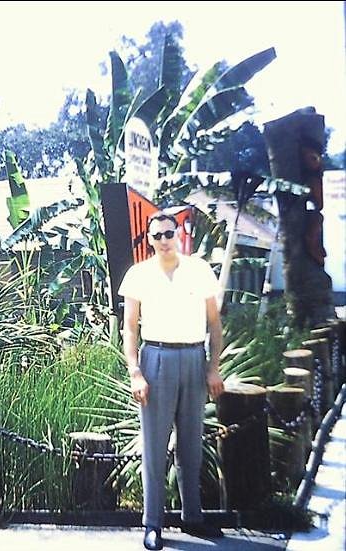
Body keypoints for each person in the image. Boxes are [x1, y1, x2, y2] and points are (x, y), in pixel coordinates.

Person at [118, 211, 225, 550]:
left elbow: (215, 324)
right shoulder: (138, 275)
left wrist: (213, 367)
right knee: (155, 446)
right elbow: (129, 328)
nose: (164, 240)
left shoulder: (199, 270)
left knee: (191, 443)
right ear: (149, 240)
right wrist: (135, 372)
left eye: (169, 233)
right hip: (157, 359)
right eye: (157, 235)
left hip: (193, 358)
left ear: (178, 234)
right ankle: (153, 523)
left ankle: (193, 516)